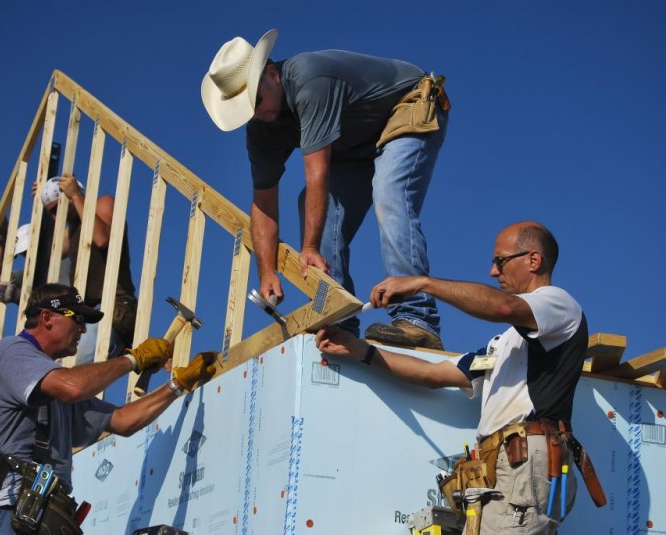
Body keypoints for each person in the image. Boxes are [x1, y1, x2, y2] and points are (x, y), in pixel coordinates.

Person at [314, 221, 605, 533]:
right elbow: (434, 374)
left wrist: (421, 284)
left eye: (500, 261)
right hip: (500, 469)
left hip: (522, 463)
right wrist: (360, 349)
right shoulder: (503, 344)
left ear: (534, 260)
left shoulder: (559, 304)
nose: (494, 272)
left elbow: (504, 307)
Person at [202, 29, 450, 348]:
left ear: (273, 74)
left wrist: (309, 248)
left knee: (389, 193)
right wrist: (266, 272)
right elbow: (263, 203)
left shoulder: (309, 80)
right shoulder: (261, 130)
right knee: (317, 208)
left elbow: (317, 171)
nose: (257, 113)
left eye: (257, 100)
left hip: (406, 106)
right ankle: (339, 320)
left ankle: (418, 318)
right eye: (247, 110)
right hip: (355, 146)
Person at [0, 283, 215, 534]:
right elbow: (73, 386)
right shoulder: (11, 352)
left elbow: (124, 421)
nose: (82, 328)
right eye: (77, 318)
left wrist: (177, 385)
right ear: (47, 317)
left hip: (37, 514)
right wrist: (133, 359)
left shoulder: (54, 385)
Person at [35, 174, 139, 364]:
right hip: (88, 316)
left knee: (71, 366)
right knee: (50, 361)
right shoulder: (71, 232)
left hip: (116, 308)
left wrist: (75, 195)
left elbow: (102, 239)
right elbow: (47, 253)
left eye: (59, 206)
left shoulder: (103, 204)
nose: (57, 216)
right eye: (51, 211)